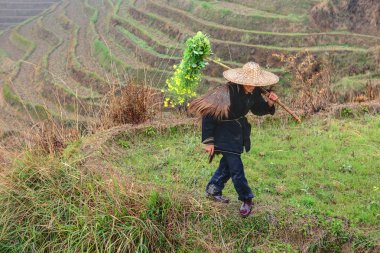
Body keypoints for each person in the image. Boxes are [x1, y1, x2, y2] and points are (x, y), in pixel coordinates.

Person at [189, 62, 279, 218]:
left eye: (255, 82)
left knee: (228, 164)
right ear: (242, 79)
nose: (252, 85)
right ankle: (246, 198)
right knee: (236, 167)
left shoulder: (254, 91)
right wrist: (209, 141)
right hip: (223, 132)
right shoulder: (225, 93)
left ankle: (213, 189)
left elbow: (257, 109)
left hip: (237, 131)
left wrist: (269, 103)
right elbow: (208, 115)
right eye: (249, 82)